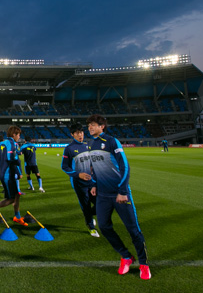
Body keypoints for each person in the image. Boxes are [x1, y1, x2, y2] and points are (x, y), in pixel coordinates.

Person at [86, 114, 151, 280]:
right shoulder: (91, 144)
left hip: (119, 194)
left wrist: (122, 191)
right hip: (102, 195)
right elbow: (93, 168)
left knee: (133, 230)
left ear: (102, 126)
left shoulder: (111, 141)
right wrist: (93, 184)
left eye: (93, 124)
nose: (90, 127)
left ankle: (143, 264)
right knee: (104, 227)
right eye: (89, 125)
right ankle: (126, 256)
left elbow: (125, 166)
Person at [61, 123, 98, 237]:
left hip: (91, 181)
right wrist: (78, 175)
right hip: (79, 182)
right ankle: (91, 226)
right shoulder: (69, 149)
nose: (80, 135)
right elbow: (64, 167)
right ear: (72, 134)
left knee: (101, 202)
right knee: (85, 204)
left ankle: (89, 216)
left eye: (81, 132)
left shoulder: (88, 145)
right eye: (77, 133)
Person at [0, 126, 27, 226]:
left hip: (6, 173)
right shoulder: (12, 143)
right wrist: (19, 169)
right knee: (11, 199)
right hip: (8, 175)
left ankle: (17, 217)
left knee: (17, 195)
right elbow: (11, 158)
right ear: (14, 135)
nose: (19, 136)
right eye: (18, 134)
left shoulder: (3, 143)